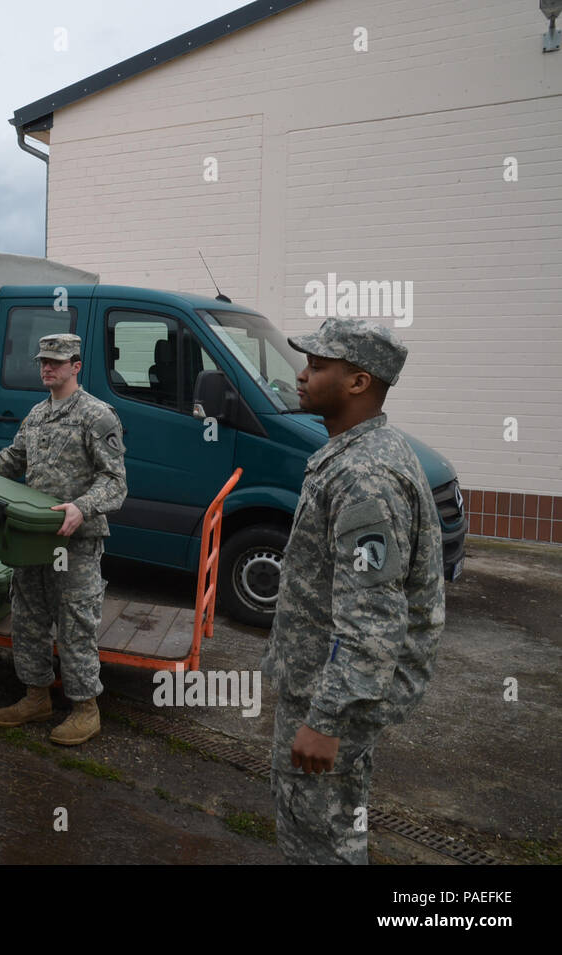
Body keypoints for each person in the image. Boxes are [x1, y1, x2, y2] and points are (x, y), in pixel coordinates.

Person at [261, 317, 444, 864]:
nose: (301, 376)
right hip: (327, 684)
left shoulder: (366, 475)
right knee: (325, 820)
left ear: (359, 382)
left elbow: (372, 621)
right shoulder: (362, 451)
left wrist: (326, 722)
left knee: (319, 837)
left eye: (317, 367)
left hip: (333, 696)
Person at [0, 333, 127, 745]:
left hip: (76, 543)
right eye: (43, 361)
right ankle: (36, 696)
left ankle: (86, 708)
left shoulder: (97, 416)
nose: (48, 368)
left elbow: (116, 482)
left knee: (76, 624)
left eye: (57, 361)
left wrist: (81, 506)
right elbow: (14, 459)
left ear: (76, 366)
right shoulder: (36, 415)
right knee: (28, 620)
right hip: (31, 540)